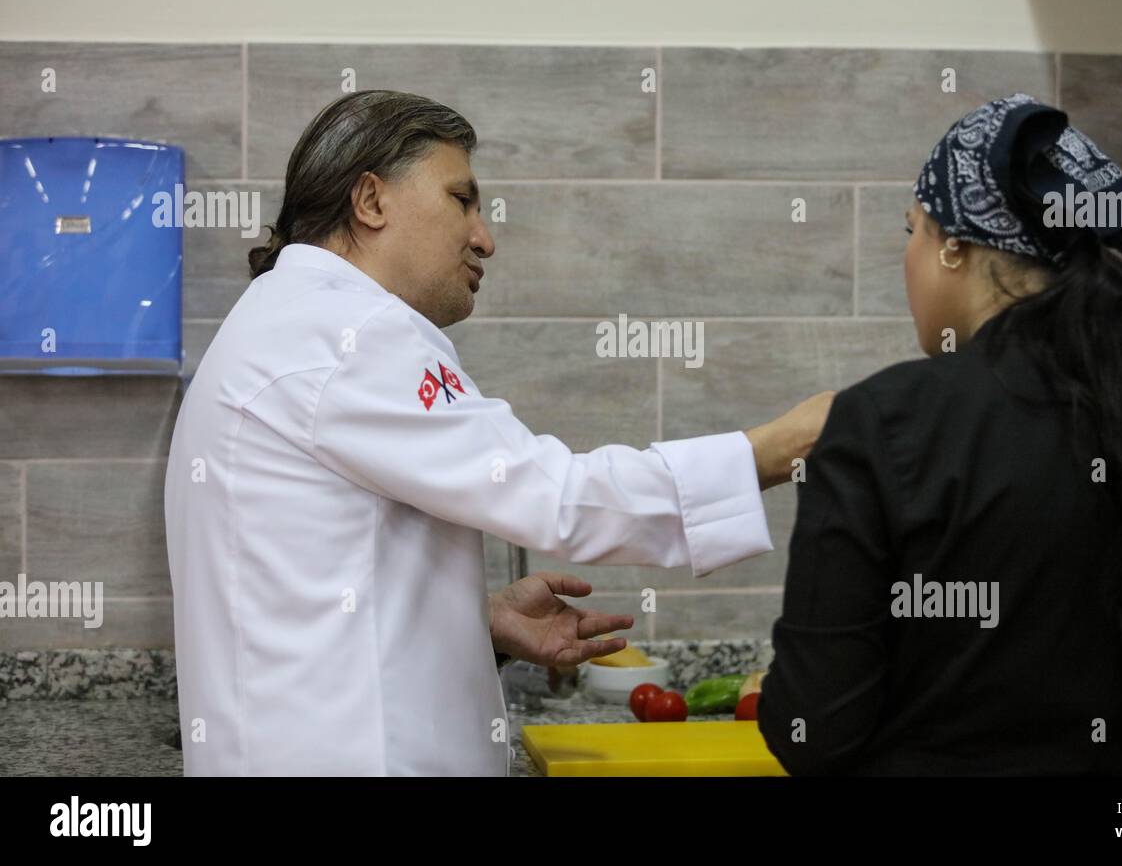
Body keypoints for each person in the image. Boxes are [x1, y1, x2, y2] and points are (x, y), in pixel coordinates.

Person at [163, 89, 833, 776]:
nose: (485, 236)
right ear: (371, 202)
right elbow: (558, 496)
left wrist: (474, 620)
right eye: (461, 200)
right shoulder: (354, 335)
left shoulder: (281, 322)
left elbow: (298, 580)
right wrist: (775, 450)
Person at [757, 93, 1122, 776]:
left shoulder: (879, 425)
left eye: (911, 228)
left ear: (955, 246)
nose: (909, 256)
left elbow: (813, 733)